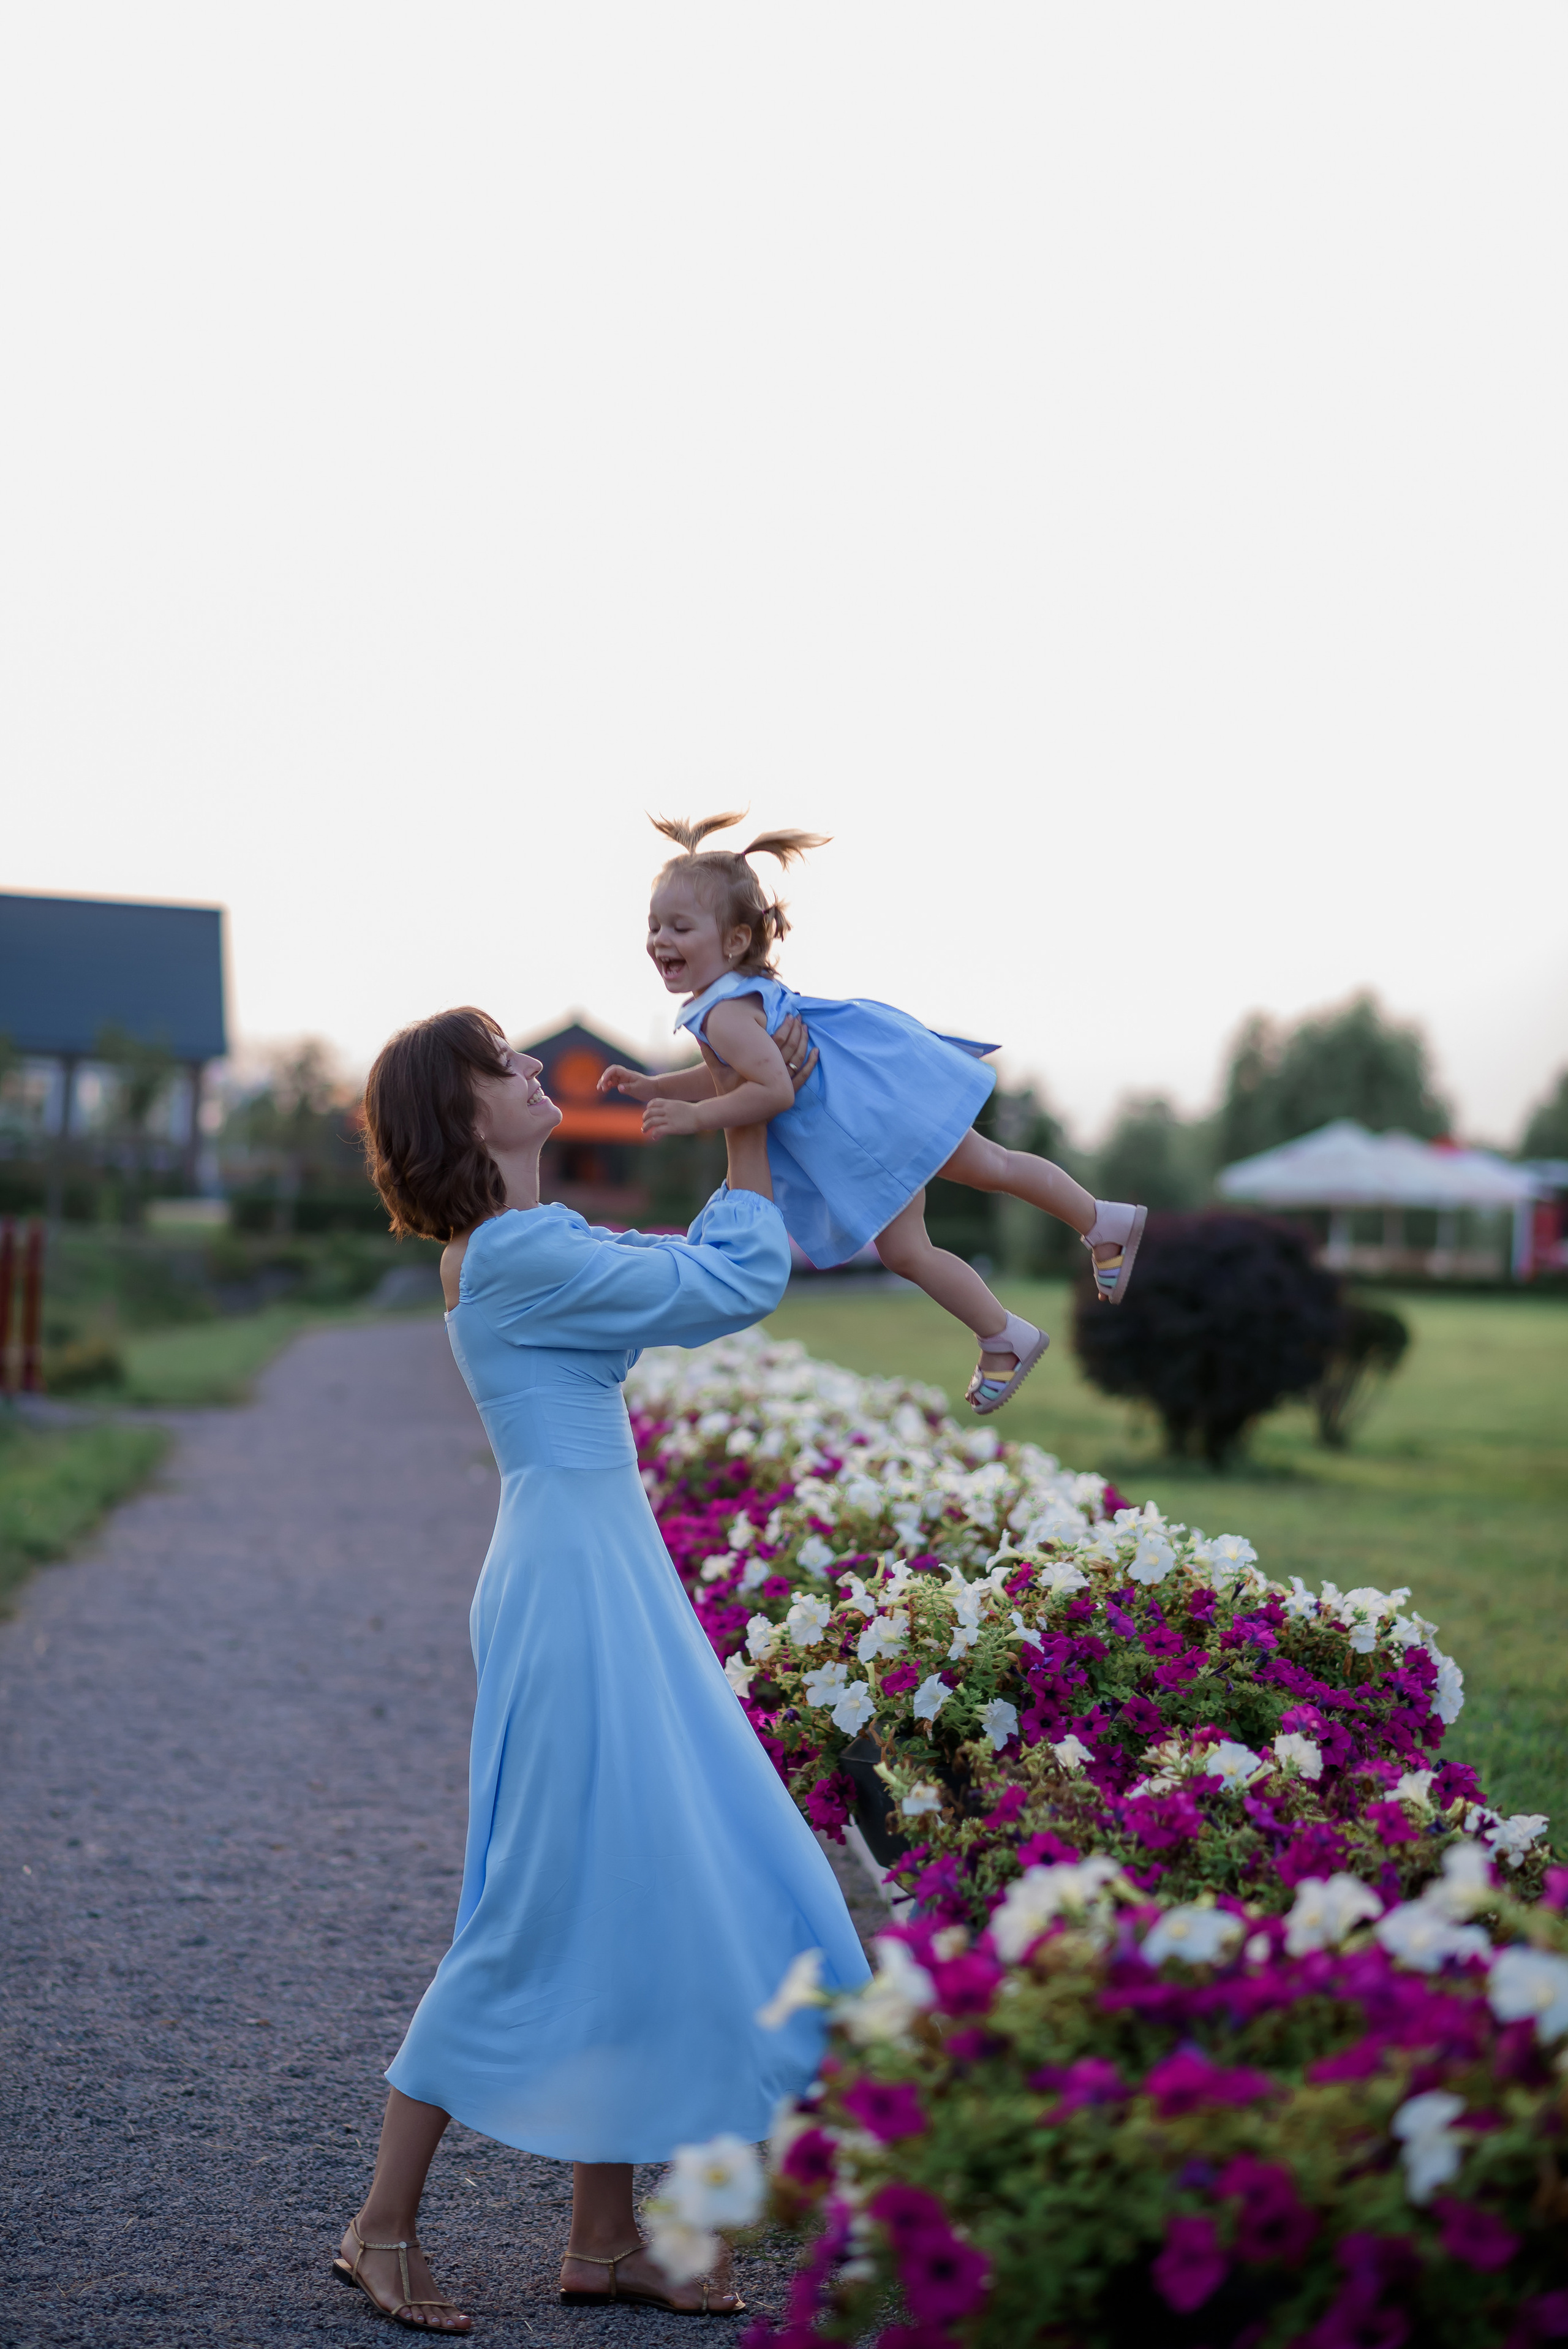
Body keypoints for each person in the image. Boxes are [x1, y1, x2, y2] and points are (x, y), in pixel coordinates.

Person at [336, 1007, 869, 2332]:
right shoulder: (516, 1255)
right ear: (463, 1118)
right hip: (574, 1592)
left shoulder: (531, 1247)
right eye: (504, 1067)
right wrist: (746, 1117)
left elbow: (673, 1278)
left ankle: (606, 2238)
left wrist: (744, 1108)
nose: (533, 1072)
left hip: (597, 1573)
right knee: (535, 1900)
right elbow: (727, 1287)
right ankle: (379, 2226)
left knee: (623, 1886)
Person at [597, 814, 1148, 1415]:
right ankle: (1101, 1221)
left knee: (907, 1251)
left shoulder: (724, 1012)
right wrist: (657, 1085)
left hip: (859, 1131)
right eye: (653, 926)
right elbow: (732, 1074)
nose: (660, 940)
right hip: (877, 1101)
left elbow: (771, 1091)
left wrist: (695, 1118)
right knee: (991, 1164)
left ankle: (1004, 1336)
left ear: (733, 941)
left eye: (679, 927)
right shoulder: (731, 1002)